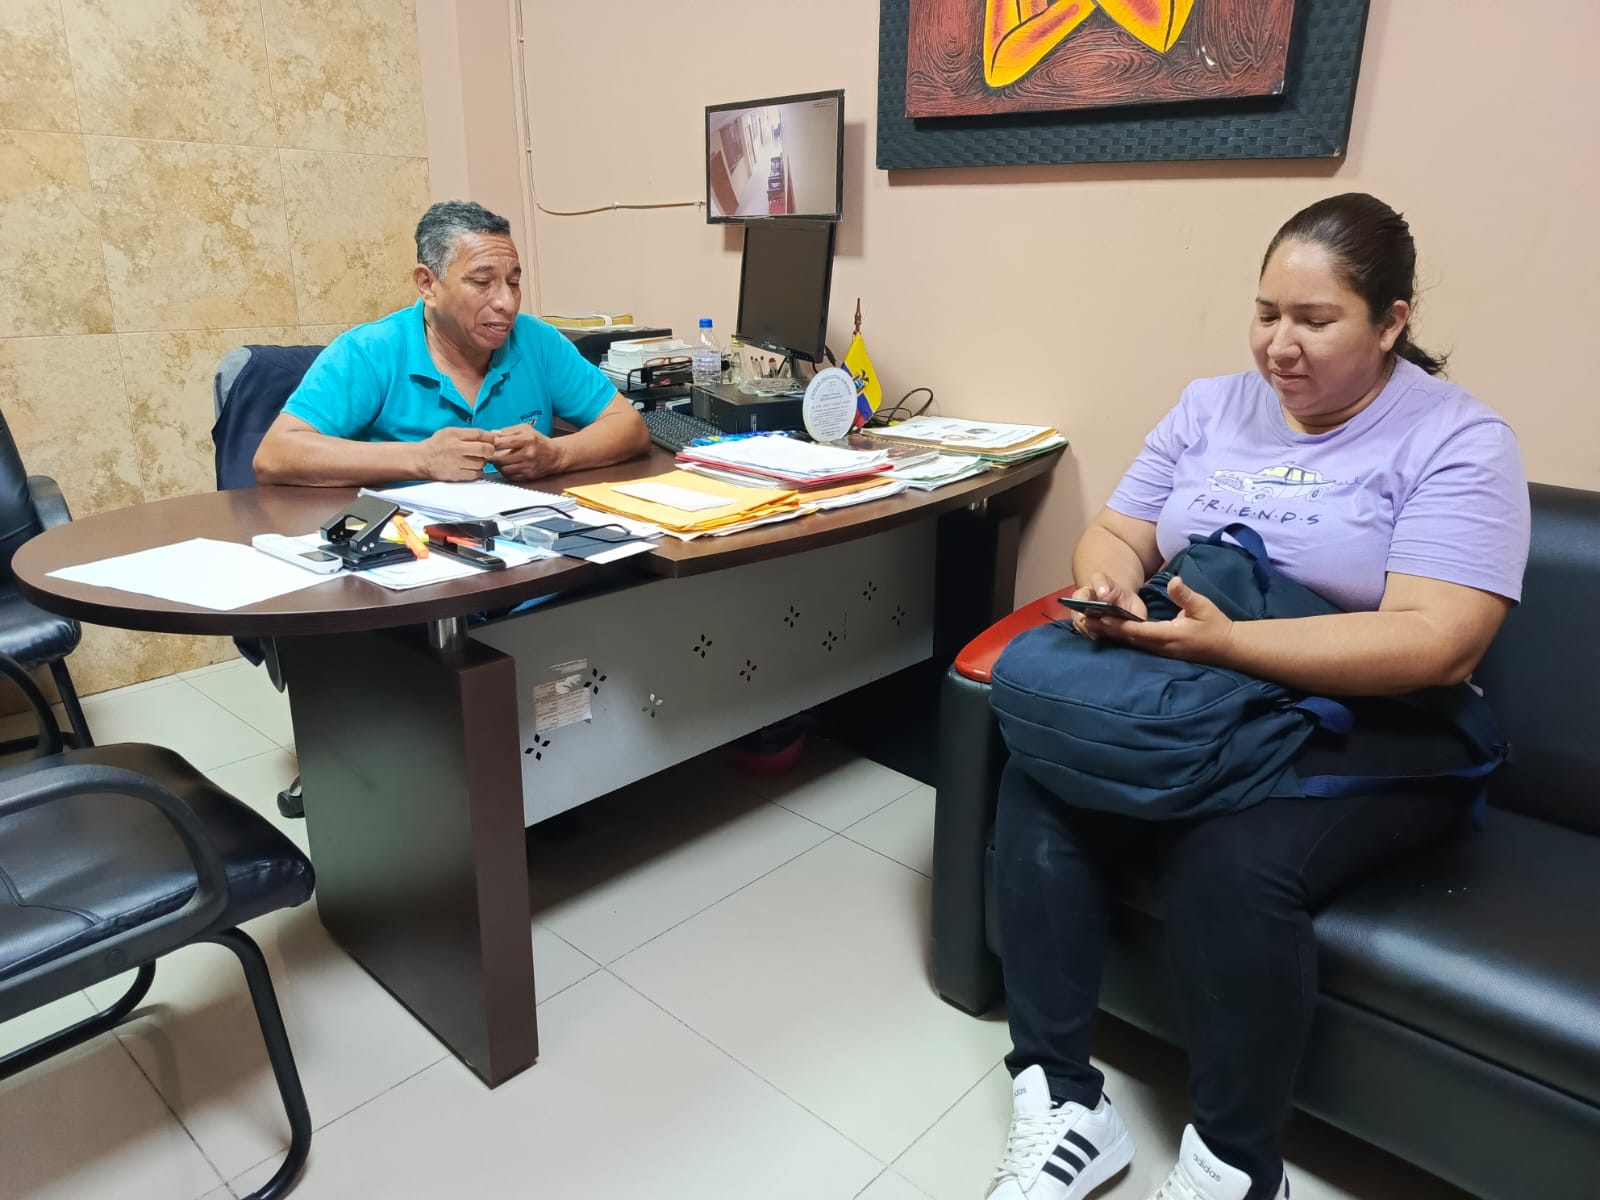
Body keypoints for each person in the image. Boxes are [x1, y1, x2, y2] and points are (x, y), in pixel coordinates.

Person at [985, 194, 1529, 1200]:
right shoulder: (1208, 406)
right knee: (1044, 778)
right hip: (1212, 688)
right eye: (1267, 312)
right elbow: (1117, 533)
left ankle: (1233, 1166)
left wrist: (1234, 642)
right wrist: (1109, 584)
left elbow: (1439, 643)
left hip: (1382, 720)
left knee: (1228, 856)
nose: (1280, 344)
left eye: (1315, 319)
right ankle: (1061, 1099)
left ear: (1391, 322)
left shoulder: (1459, 439)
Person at [253, 200, 649, 486]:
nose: (507, 302)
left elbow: (628, 427)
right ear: (427, 284)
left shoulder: (536, 340)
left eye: (513, 282)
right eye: (482, 282)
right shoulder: (370, 351)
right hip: (411, 555)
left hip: (527, 546)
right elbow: (275, 455)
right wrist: (420, 459)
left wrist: (557, 455)